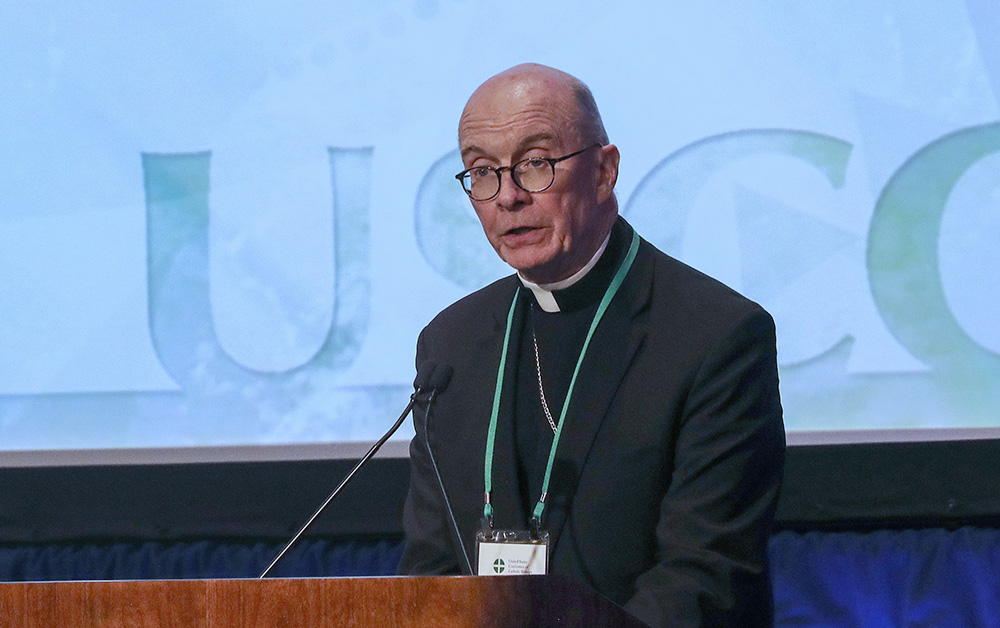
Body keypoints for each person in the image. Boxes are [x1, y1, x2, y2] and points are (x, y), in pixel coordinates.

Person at [399, 63, 785, 628]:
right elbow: (430, 571)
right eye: (482, 172)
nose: (507, 196)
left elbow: (706, 575)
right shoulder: (452, 346)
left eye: (535, 163)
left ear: (604, 172)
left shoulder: (715, 336)